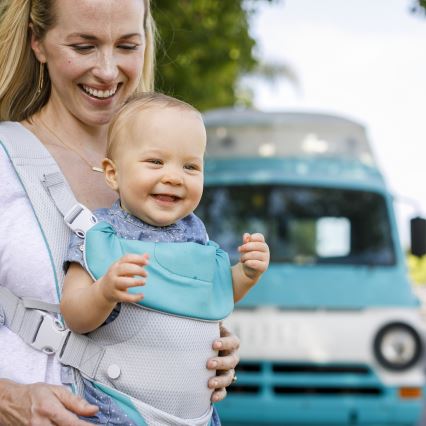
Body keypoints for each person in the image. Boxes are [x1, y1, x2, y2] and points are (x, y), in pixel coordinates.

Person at [0, 1, 241, 425]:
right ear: (38, 42)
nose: (109, 71)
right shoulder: (6, 162)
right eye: (84, 46)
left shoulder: (167, 178)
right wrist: (10, 400)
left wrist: (204, 350)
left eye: (127, 45)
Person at [60, 92, 270, 425]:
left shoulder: (198, 238)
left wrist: (246, 273)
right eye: (155, 162)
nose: (174, 176)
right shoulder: (101, 234)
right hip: (120, 410)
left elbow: (214, 295)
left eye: (190, 166)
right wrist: (104, 292)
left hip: (198, 416)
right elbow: (72, 314)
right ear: (113, 174)